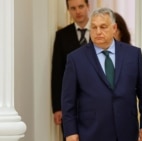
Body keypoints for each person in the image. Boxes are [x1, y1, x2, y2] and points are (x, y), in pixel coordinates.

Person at [61, 7, 142, 141]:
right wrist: (70, 132)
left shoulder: (133, 55)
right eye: (94, 27)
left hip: (127, 131)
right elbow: (68, 100)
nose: (98, 32)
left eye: (103, 27)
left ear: (114, 28)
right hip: (91, 132)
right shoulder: (75, 59)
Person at [51, 0, 90, 140]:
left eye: (81, 7)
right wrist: (57, 107)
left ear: (88, 6)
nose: (78, 11)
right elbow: (57, 73)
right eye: (73, 8)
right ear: (68, 10)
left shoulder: (100, 33)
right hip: (70, 105)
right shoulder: (62, 36)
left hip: (95, 103)